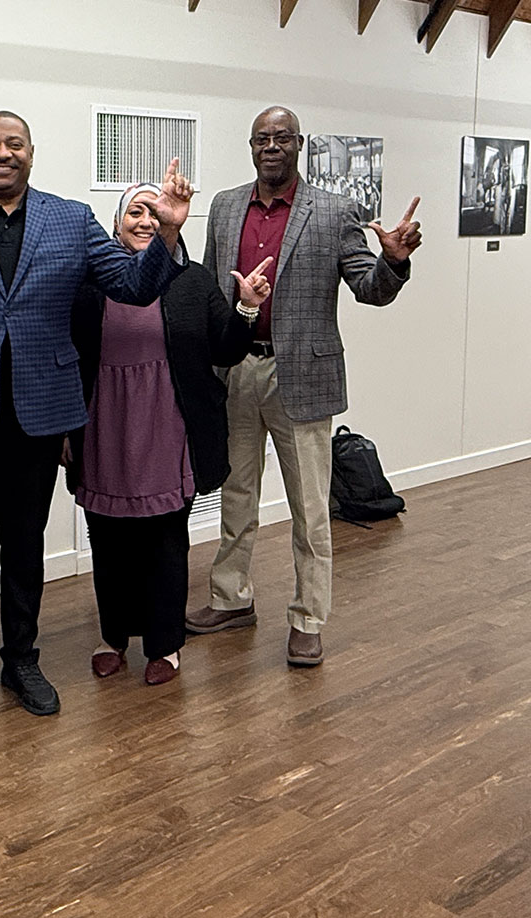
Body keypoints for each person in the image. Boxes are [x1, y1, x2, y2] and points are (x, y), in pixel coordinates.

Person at [0, 111, 193, 722]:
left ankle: (22, 661)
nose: (1, 153)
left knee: (25, 546)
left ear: (31, 153)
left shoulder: (70, 218)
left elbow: (132, 287)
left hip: (39, 417)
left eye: (14, 144)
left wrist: (165, 235)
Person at [184, 106, 421, 666]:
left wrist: (392, 262)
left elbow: (370, 288)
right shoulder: (224, 207)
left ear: (299, 145)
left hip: (304, 378)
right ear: (250, 145)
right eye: (262, 138)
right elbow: (217, 296)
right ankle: (231, 598)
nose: (272, 146)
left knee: (310, 508)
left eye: (282, 137)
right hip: (237, 371)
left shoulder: (335, 211)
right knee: (236, 495)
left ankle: (309, 616)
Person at [66, 184, 267, 686]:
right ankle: (112, 636)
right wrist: (64, 431)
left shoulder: (194, 281)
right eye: (134, 212)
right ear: (115, 225)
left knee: (164, 542)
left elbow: (225, 350)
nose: (144, 221)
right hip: (103, 424)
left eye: (154, 213)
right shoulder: (88, 283)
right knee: (108, 541)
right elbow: (67, 358)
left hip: (168, 426)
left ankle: (164, 644)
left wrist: (246, 309)